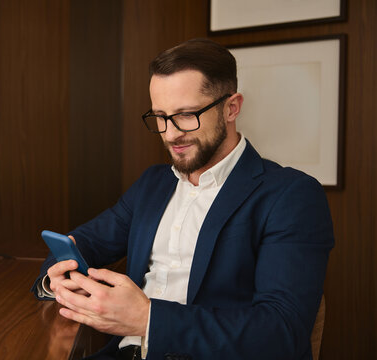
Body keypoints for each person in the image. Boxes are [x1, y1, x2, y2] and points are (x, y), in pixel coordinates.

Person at [32, 38, 334, 360]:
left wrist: (148, 318)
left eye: (186, 115)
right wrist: (58, 281)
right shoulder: (152, 184)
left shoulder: (291, 195)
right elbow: (82, 242)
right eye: (160, 116)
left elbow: (281, 332)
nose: (170, 133)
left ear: (231, 108)